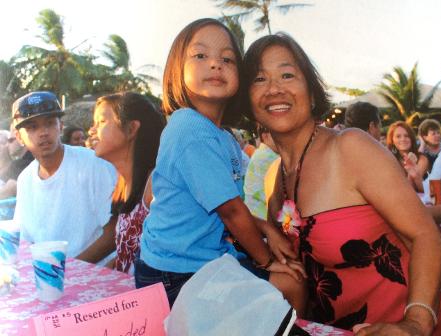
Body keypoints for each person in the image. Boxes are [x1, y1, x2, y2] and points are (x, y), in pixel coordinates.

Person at [242, 33, 441, 335]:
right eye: (260, 79)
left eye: (287, 74)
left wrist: (416, 322)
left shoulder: (350, 148)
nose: (274, 88)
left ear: (312, 93)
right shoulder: (276, 176)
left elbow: (425, 235)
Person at [135, 18, 305, 312]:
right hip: (175, 274)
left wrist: (269, 229)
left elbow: (236, 201)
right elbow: (231, 210)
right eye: (201, 56)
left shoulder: (222, 137)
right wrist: (265, 261)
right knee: (291, 284)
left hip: (201, 260)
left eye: (227, 59)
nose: (215, 64)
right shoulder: (190, 129)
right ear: (178, 68)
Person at [12, 91, 117, 262]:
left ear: (60, 126)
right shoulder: (25, 179)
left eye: (49, 123)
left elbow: (115, 230)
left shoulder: (93, 164)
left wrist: (71, 269)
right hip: (50, 276)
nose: (43, 132)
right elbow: (26, 238)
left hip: (97, 274)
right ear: (19, 137)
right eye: (32, 127)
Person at [88, 92, 166, 274]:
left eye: (101, 122)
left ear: (131, 129)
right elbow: (131, 251)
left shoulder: (156, 186)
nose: (91, 130)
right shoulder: (123, 184)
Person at [244, 125, 279, 219]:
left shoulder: (262, 153)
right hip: (264, 218)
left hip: (257, 215)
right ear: (265, 136)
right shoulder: (268, 157)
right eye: (277, 134)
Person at [387, 121, 428, 192]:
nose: (403, 139)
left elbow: (418, 188)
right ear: (392, 140)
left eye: (406, 136)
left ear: (411, 138)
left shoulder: (422, 159)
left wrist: (411, 170)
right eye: (398, 136)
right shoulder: (389, 160)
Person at [0, 126, 34, 199]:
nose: (8, 145)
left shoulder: (23, 163)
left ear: (21, 139)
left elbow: (11, 188)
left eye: (10, 140)